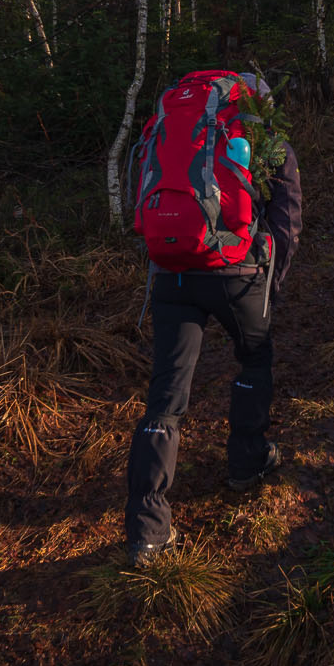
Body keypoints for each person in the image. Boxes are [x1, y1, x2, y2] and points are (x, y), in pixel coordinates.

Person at [125, 72, 302, 568]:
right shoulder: (257, 131)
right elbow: (287, 208)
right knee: (253, 359)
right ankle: (246, 461)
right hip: (236, 270)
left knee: (166, 395)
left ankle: (147, 530)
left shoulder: (171, 122)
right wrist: (273, 277)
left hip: (171, 271)